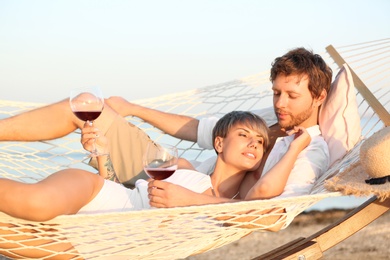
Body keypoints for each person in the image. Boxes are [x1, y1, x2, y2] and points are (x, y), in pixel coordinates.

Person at [0, 47, 331, 204]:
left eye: (291, 95)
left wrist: (188, 197)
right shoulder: (267, 120)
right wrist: (134, 109)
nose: (279, 104)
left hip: (182, 191)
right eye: (276, 93)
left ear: (318, 97)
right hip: (169, 169)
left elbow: (268, 206)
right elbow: (197, 129)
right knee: (88, 104)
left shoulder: (312, 150)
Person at [0, 111, 311, 222]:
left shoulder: (233, 202)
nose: (254, 144)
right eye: (243, 135)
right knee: (35, 204)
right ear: (219, 144)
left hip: (104, 238)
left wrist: (296, 146)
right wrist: (103, 156)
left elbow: (265, 209)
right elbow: (121, 188)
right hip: (97, 194)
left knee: (14, 239)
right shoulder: (185, 165)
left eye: (259, 141)